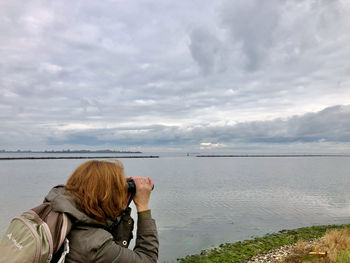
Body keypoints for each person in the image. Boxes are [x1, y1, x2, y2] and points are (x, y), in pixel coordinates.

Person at [45, 159, 159, 262]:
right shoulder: (95, 245)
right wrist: (143, 206)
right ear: (106, 196)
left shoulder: (55, 210)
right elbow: (148, 258)